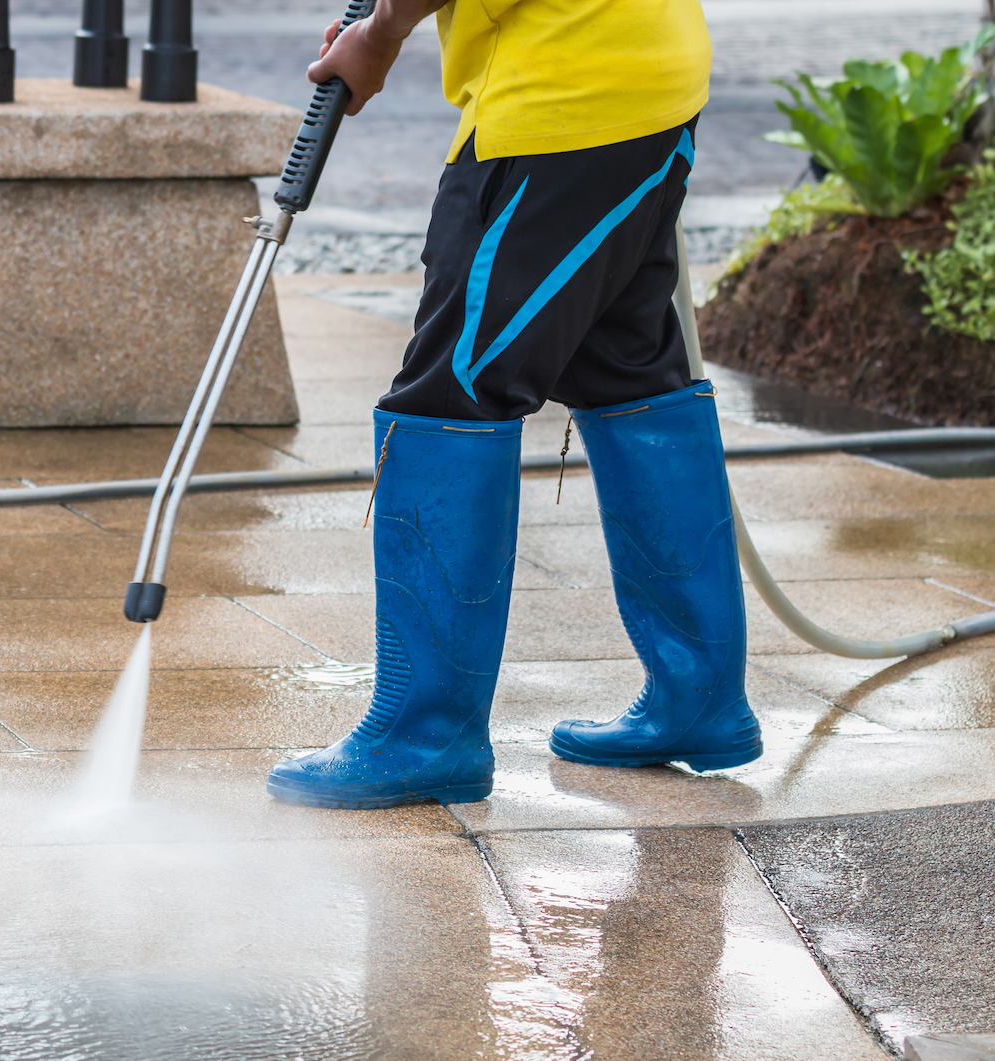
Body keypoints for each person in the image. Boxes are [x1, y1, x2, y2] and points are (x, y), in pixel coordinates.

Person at [266, 0, 762, 809]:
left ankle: (425, 733)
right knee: (628, 370)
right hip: (643, 81)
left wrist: (379, 32)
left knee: (453, 393)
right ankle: (698, 697)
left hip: (563, 108)